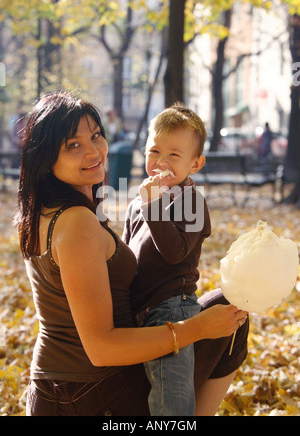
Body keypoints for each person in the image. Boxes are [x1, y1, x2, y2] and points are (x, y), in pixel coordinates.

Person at [17, 90, 248, 416]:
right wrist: (197, 328)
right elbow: (100, 349)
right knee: (228, 320)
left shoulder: (52, 210)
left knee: (230, 309)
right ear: (46, 157)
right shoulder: (76, 223)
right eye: (73, 145)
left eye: (96, 135)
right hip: (88, 394)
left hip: (71, 387)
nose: (93, 150)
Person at [122, 103, 212, 415]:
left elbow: (174, 253)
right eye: (154, 151)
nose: (160, 162)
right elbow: (126, 252)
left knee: (169, 400)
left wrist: (153, 206)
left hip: (171, 309)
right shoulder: (140, 202)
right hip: (137, 309)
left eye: (174, 155)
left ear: (195, 163)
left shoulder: (193, 203)